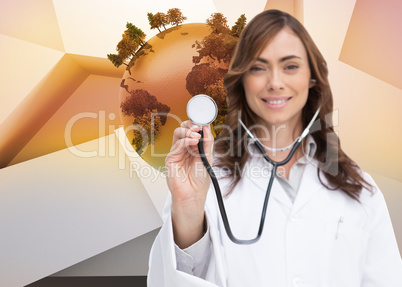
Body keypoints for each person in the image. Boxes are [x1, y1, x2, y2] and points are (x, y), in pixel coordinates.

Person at [147, 9, 402, 287]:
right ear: (242, 82)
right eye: (258, 67)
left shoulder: (361, 189)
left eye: (290, 66)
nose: (275, 83)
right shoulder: (206, 176)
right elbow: (168, 281)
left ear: (312, 79)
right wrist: (188, 208)